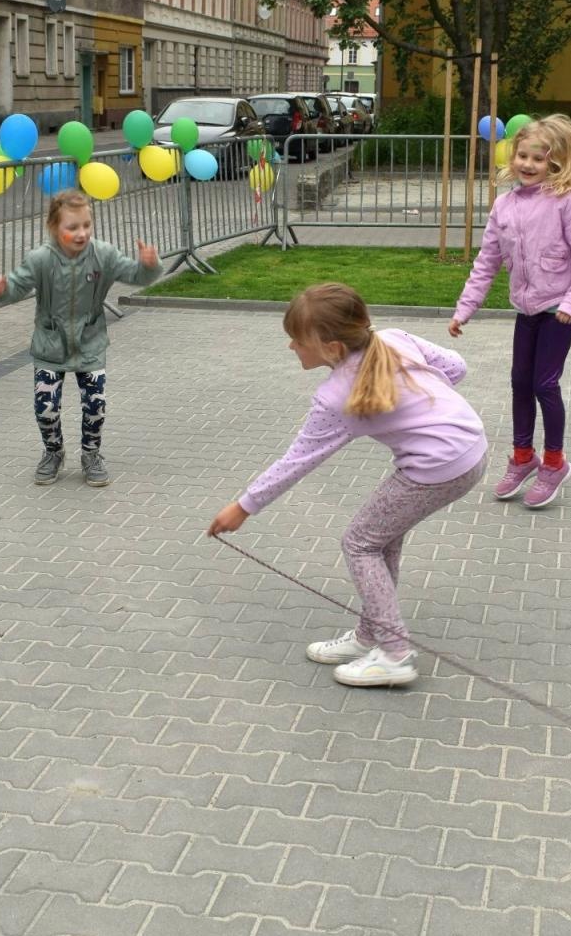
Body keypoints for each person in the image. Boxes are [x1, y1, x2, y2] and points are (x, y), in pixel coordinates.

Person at [208, 283, 488, 687]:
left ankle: (393, 655)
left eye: (297, 341)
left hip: (439, 466)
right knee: (380, 540)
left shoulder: (336, 396)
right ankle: (369, 637)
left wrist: (243, 507)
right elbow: (457, 367)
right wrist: (424, 401)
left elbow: (296, 462)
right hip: (471, 448)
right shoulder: (394, 338)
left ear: (333, 348)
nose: (291, 348)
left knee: (359, 543)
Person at [449, 114, 571, 509]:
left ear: (555, 163)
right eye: (523, 156)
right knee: (520, 381)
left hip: (560, 310)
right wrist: (465, 308)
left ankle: (554, 463)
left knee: (544, 384)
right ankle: (522, 457)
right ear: (512, 156)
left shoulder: (568, 203)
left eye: (539, 159)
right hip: (527, 308)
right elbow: (487, 261)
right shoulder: (505, 205)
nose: (528, 165)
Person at [0, 190, 161, 487]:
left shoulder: (102, 254)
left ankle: (91, 454)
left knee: (95, 405)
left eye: (86, 225)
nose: (81, 233)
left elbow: (137, 276)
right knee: (46, 408)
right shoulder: (41, 259)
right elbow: (16, 287)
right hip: (50, 344)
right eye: (72, 227)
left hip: (90, 342)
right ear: (54, 228)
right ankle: (53, 452)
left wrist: (148, 265)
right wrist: (1, 289)